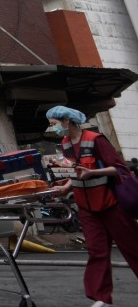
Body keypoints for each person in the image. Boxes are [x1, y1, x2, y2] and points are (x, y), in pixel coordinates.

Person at [46, 105, 138, 307]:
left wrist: (92, 173)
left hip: (110, 204)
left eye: (53, 124)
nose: (52, 128)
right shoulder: (66, 144)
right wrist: (67, 187)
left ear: (66, 121)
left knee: (133, 247)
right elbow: (76, 171)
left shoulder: (95, 139)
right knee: (96, 252)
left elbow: (120, 169)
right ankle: (100, 298)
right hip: (87, 207)